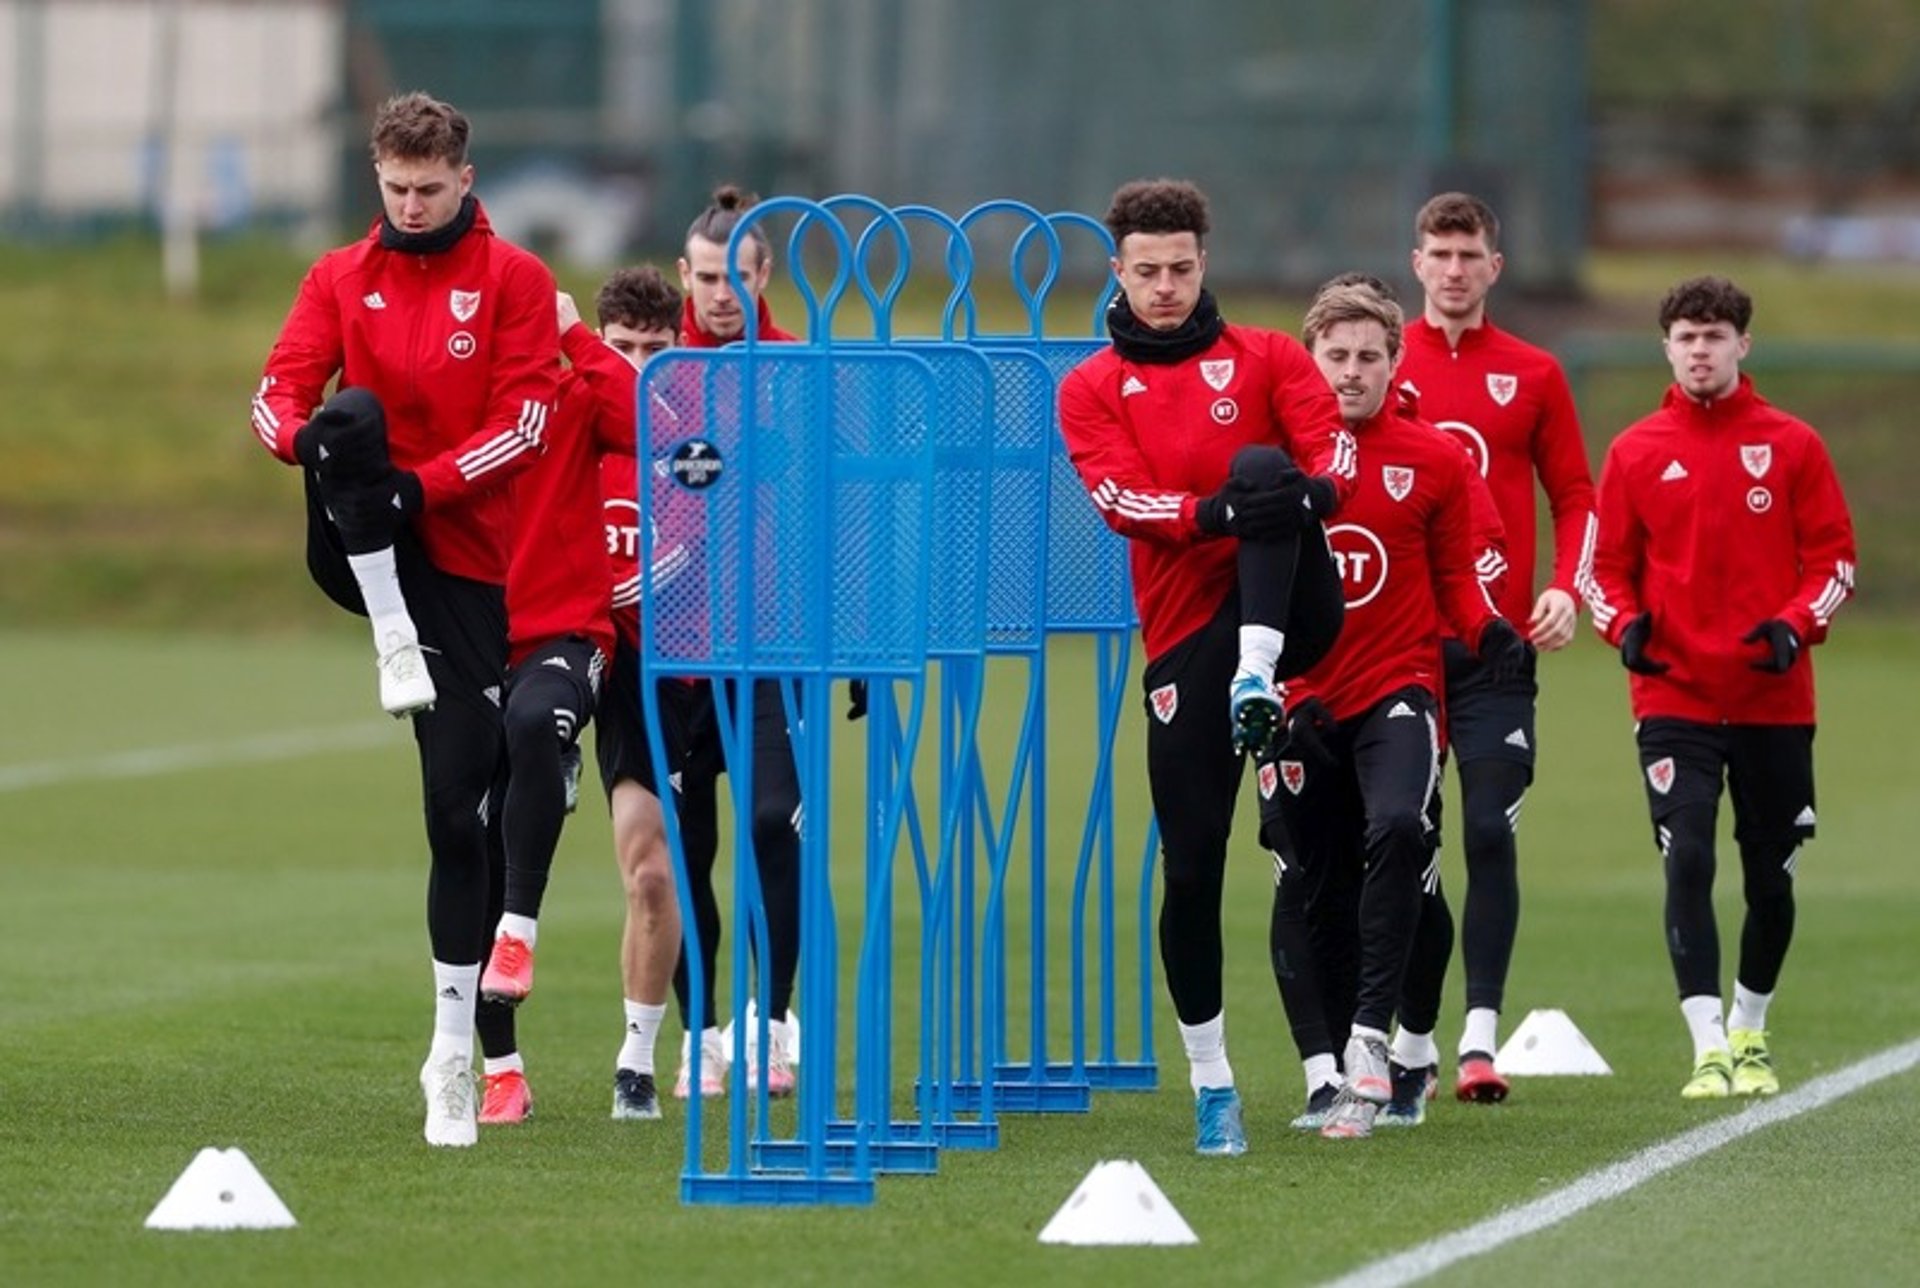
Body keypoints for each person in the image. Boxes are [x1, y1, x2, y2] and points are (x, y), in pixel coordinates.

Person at [250, 91, 558, 1146]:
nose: (413, 205)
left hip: (473, 563)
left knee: (455, 810)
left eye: (431, 188)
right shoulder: (339, 275)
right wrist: (314, 453)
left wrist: (417, 492)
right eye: (396, 188)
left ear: (465, 179)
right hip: (366, 545)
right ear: (376, 177)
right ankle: (445, 1063)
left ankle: (458, 1046)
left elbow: (525, 422)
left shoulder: (514, 279)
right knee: (348, 415)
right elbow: (274, 395)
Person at [1058, 178, 1357, 1156]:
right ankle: (1212, 1078)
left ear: (1204, 262)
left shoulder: (1267, 355)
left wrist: (1301, 496)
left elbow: (1334, 453)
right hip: (1187, 632)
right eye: (1146, 272)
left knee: (1270, 473)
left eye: (1181, 268)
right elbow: (1118, 499)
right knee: (1190, 869)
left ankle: (1258, 674)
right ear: (1118, 272)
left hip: (1295, 611)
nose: (1166, 287)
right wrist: (1215, 515)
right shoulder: (1092, 384)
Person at [1258, 279, 1524, 1139]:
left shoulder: (1437, 459)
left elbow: (1458, 579)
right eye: (1335, 356)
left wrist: (1488, 632)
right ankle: (1326, 1069)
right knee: (1309, 881)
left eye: (1369, 356)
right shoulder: (1276, 458)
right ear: (1311, 360)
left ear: (1394, 362)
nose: (1351, 371)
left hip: (1398, 690)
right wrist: (1270, 687)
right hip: (1299, 697)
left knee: (1403, 837)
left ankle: (1383, 1041)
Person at [1583, 275, 1855, 1100]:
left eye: (1715, 335)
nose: (1700, 350)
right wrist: (1623, 626)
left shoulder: (1795, 444)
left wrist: (1793, 625)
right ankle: (1706, 1045)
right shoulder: (1634, 450)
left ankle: (1750, 1028)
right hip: (1675, 699)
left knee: (1769, 876)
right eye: (1686, 336)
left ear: (1743, 345)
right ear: (1666, 346)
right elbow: (1605, 571)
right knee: (1688, 856)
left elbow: (1834, 563)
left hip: (1775, 700)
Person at [1395, 191, 1597, 1102]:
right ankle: (1409, 1036)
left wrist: (1567, 587)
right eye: (1439, 253)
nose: (1453, 269)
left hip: (1498, 650)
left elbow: (1577, 494)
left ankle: (1478, 1037)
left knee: (1487, 827)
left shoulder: (1536, 374)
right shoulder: (1379, 363)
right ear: (1417, 262)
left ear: (1494, 268)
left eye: (1469, 254)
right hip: (1398, 648)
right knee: (1407, 837)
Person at [464, 271, 667, 1125]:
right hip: (474, 635)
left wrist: (577, 338)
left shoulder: (578, 391)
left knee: (657, 863)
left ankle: (679, 1047)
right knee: (468, 844)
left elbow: (650, 421)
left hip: (579, 636)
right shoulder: (466, 399)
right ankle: (499, 1067)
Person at [667, 185, 806, 1100]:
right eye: (708, 277)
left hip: (776, 646)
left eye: (738, 278)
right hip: (676, 650)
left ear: (765, 277)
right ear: (685, 273)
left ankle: (773, 1020)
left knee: (768, 823)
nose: (722, 295)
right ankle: (700, 1032)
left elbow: (849, 511)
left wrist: (852, 627)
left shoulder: (801, 374)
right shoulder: (654, 373)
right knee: (686, 846)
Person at [561, 265, 701, 1119]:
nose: (641, 367)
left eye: (657, 350)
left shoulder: (693, 444)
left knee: (656, 876)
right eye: (624, 349)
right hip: (583, 655)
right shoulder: (576, 423)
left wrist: (594, 590)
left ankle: (639, 1061)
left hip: (667, 669)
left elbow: (684, 556)